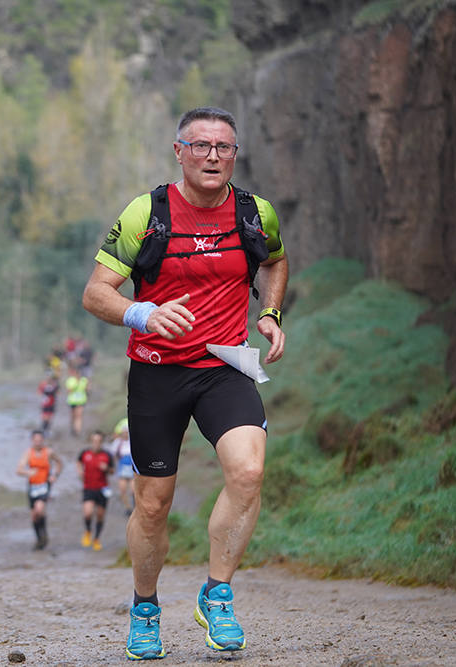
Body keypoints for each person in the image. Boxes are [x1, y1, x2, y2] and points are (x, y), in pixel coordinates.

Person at [81, 106, 287, 659]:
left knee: (249, 470)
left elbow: (273, 262)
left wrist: (270, 314)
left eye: (224, 147)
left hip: (224, 366)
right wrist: (141, 314)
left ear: (235, 155)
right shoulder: (145, 212)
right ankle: (145, 607)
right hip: (156, 370)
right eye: (201, 146)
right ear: (179, 151)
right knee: (153, 504)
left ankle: (217, 593)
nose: (213, 156)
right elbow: (96, 292)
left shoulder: (254, 211)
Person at [15, 429, 64, 549]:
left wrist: (55, 475)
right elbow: (19, 470)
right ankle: (39, 539)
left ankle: (44, 534)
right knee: (34, 515)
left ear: (43, 441)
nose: (38, 443)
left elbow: (59, 463)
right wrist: (28, 472)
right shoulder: (28, 453)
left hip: (44, 485)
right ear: (32, 441)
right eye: (35, 440)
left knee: (39, 509)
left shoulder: (48, 452)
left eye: (40, 440)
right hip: (32, 486)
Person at [76, 430, 113, 551]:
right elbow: (78, 461)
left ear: (102, 442)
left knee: (100, 515)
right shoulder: (85, 453)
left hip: (102, 489)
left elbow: (112, 471)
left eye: (99, 441)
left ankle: (97, 539)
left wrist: (106, 468)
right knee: (87, 512)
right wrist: (80, 471)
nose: (96, 443)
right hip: (88, 488)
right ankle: (87, 531)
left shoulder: (107, 455)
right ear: (91, 441)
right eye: (94, 441)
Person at [111, 418, 135, 516]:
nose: (125, 434)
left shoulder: (133, 442)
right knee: (122, 490)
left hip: (132, 469)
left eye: (126, 432)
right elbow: (112, 455)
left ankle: (135, 506)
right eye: (124, 432)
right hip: (122, 469)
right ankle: (128, 508)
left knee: (133, 490)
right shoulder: (117, 443)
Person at [64, 364, 89, 437]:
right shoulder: (70, 380)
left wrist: (86, 388)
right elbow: (69, 391)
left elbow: (87, 389)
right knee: (73, 416)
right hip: (72, 401)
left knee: (79, 416)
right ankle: (72, 428)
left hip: (81, 401)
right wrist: (76, 384)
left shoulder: (84, 380)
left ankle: (78, 431)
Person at [37, 371, 60, 436]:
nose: (49, 379)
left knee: (50, 418)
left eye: (50, 377)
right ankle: (43, 430)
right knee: (44, 418)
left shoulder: (55, 385)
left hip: (52, 404)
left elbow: (58, 393)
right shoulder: (43, 384)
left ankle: (47, 430)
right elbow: (39, 392)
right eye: (48, 377)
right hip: (45, 404)